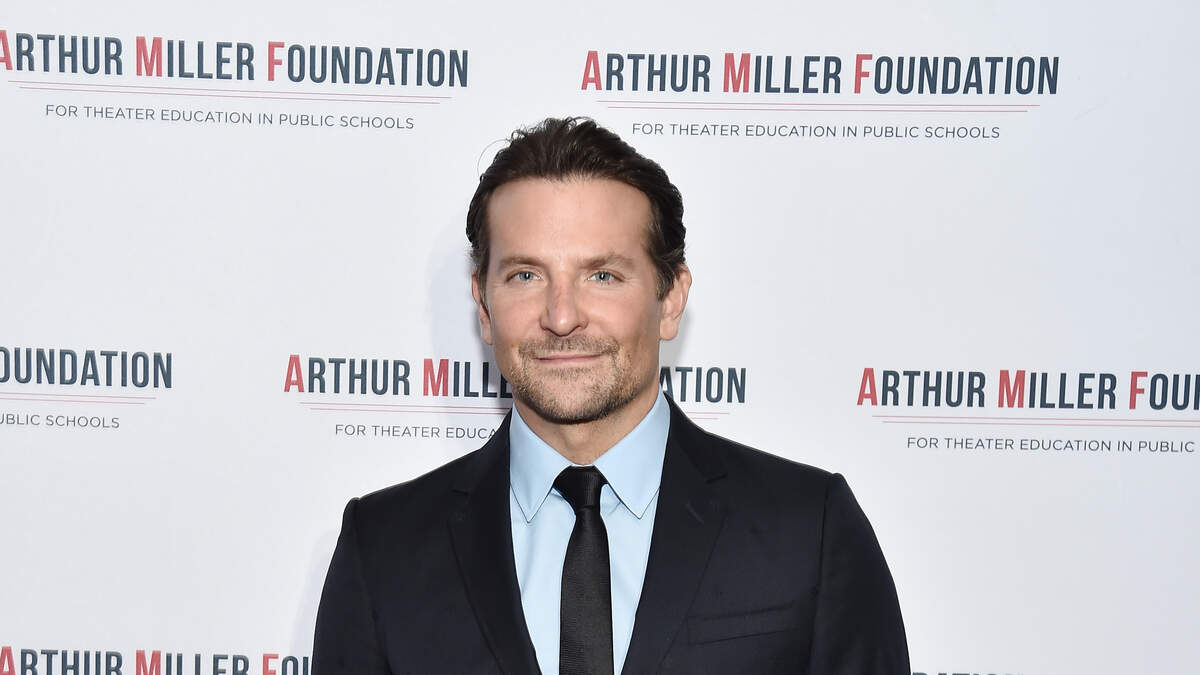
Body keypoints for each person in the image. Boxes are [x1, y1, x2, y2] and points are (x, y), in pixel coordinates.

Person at [312, 117, 909, 674]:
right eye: (525, 275)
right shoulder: (383, 549)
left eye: (602, 275)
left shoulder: (808, 530)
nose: (561, 317)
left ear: (670, 299)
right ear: (484, 306)